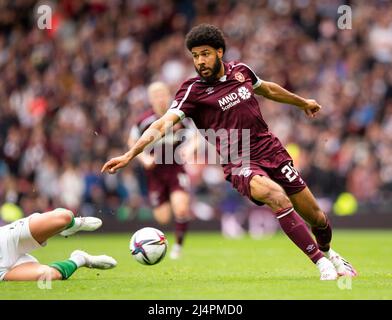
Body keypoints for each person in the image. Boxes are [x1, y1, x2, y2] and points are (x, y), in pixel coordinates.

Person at [102, 24, 357, 280]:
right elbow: (161, 124)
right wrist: (130, 154)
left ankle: (331, 254)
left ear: (219, 52)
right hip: (238, 160)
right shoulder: (192, 91)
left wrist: (303, 102)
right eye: (195, 56)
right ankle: (321, 264)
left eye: (205, 54)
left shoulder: (241, 71)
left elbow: (267, 89)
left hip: (271, 150)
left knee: (318, 219)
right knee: (275, 196)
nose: (200, 61)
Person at [129, 82, 193, 259]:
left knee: (181, 209)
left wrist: (190, 148)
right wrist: (144, 158)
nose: (160, 98)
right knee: (163, 218)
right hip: (155, 174)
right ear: (150, 99)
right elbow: (131, 142)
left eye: (162, 94)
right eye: (156, 95)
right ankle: (157, 243)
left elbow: (196, 135)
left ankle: (178, 248)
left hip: (175, 168)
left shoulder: (180, 116)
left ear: (168, 95)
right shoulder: (143, 121)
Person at [0, 208, 117, 281]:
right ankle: (81, 259)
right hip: (2, 270)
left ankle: (72, 224)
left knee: (64, 217)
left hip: (6, 238)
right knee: (49, 275)